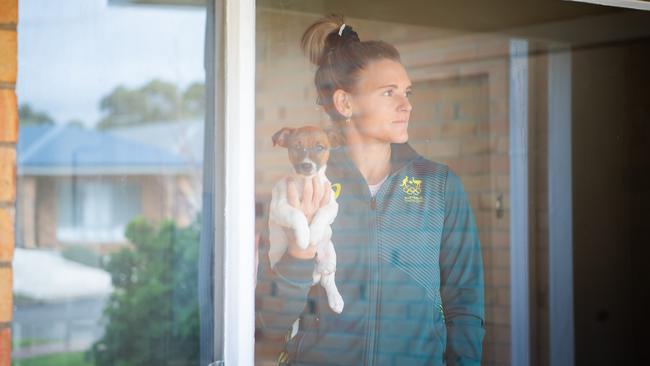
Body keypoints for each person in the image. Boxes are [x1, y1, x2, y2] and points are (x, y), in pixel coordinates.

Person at [256, 14, 484, 366]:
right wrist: (300, 252)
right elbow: (270, 324)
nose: (406, 104)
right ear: (345, 104)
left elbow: (465, 306)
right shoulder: (304, 190)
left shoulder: (439, 186)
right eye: (389, 92)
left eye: (407, 92)